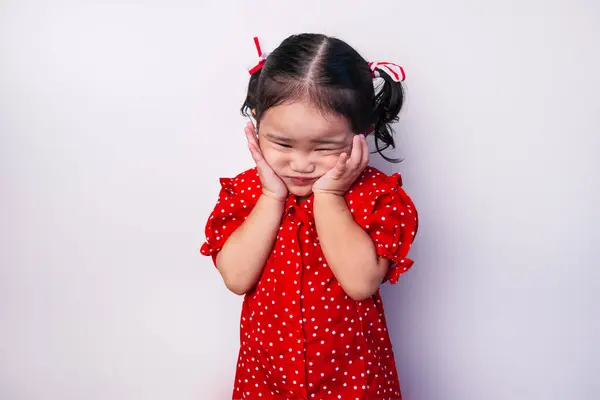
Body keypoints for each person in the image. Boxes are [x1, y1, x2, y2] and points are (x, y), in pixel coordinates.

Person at [200, 33, 418, 400]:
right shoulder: (246, 192)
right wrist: (272, 195)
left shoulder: (378, 197)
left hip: (353, 380)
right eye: (282, 144)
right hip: (266, 379)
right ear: (257, 123)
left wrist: (329, 195)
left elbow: (361, 283)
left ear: (360, 134)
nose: (301, 164)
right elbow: (236, 278)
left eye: (325, 147)